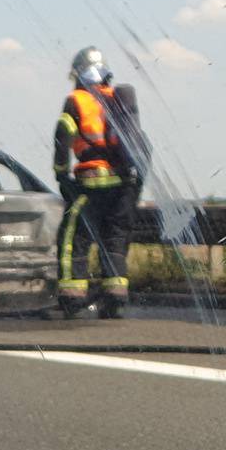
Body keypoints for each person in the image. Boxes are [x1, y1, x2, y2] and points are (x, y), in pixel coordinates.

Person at [53, 47, 145, 319]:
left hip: (90, 185)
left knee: (72, 239)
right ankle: (114, 298)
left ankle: (71, 298)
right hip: (122, 187)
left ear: (79, 73)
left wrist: (61, 174)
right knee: (115, 240)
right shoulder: (117, 99)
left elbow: (63, 137)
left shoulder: (77, 100)